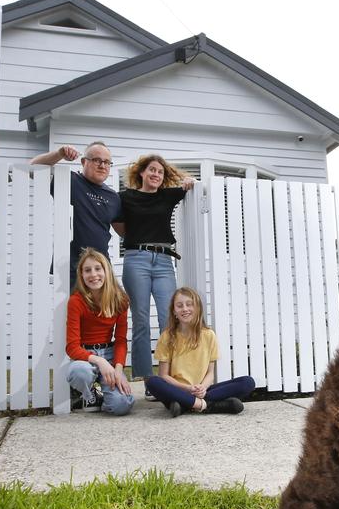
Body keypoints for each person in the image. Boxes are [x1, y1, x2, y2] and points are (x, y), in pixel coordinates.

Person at [113, 154, 195, 389]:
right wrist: (137, 238)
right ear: (141, 172)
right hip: (136, 259)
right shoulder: (125, 197)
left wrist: (189, 180)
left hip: (163, 261)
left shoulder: (168, 196)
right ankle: (147, 379)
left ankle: (168, 376)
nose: (156, 174)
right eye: (152, 170)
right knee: (140, 320)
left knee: (168, 318)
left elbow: (189, 184)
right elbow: (118, 225)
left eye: (160, 171)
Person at [144, 287, 255, 417]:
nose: (185, 309)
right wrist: (187, 389)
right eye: (179, 306)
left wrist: (202, 388)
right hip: (176, 390)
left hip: (202, 390)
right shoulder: (167, 336)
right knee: (152, 382)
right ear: (174, 311)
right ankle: (206, 406)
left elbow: (210, 372)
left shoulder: (209, 335)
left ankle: (185, 405)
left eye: (189, 305)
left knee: (247, 382)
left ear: (197, 309)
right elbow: (164, 376)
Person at [30, 142, 121, 286]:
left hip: (101, 269)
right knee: (71, 309)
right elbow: (33, 168)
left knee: (104, 309)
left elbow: (122, 230)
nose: (102, 165)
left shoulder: (114, 197)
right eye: (97, 160)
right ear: (84, 162)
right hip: (70, 269)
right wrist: (59, 153)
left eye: (107, 162)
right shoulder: (68, 181)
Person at [65, 248, 134, 415]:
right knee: (79, 372)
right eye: (87, 270)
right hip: (85, 356)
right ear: (81, 275)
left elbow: (120, 340)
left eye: (98, 268)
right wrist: (100, 362)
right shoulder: (76, 301)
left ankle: (106, 398)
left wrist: (117, 369)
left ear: (106, 271)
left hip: (109, 353)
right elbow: (72, 347)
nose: (93, 274)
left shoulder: (120, 300)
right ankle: (87, 394)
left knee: (122, 404)